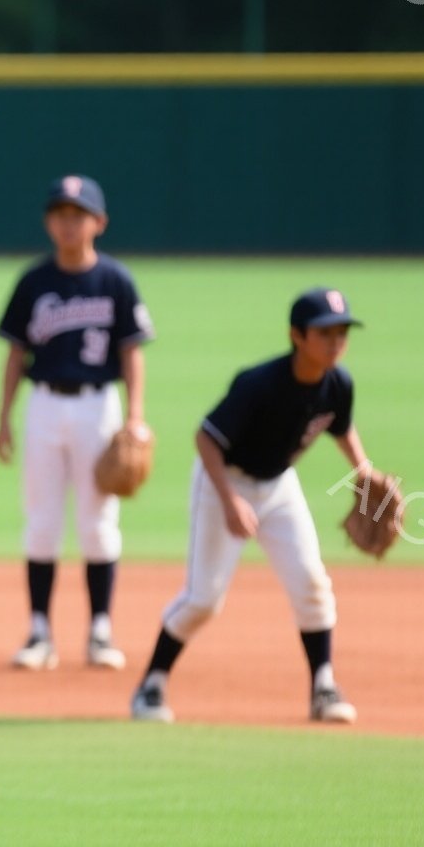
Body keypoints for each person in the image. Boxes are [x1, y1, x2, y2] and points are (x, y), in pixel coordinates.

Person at [128, 288, 377, 725]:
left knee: (312, 583)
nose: (336, 341)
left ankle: (323, 686)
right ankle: (152, 684)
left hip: (279, 484)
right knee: (204, 599)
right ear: (297, 336)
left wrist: (364, 469)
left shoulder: (339, 383)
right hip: (224, 480)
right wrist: (229, 501)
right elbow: (206, 438)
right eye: (325, 332)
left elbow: (341, 426)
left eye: (342, 332)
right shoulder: (258, 384)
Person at [0, 175, 155, 671]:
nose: (68, 222)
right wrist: (4, 418)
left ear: (98, 223)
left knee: (98, 521)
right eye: (60, 214)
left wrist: (134, 417)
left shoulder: (116, 281)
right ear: (49, 222)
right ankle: (39, 630)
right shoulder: (32, 281)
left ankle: (100, 630)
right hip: (42, 403)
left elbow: (132, 353)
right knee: (41, 520)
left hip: (98, 406)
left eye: (78, 214)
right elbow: (15, 353)